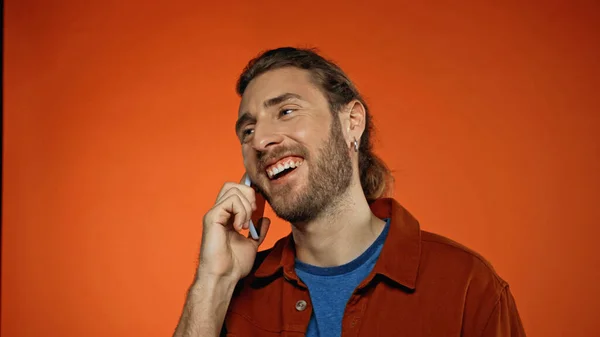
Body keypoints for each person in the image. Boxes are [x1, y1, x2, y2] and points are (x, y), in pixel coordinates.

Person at [173, 47, 526, 337]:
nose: (262, 140)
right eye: (247, 131)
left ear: (351, 122)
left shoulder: (466, 283)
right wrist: (213, 281)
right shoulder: (232, 293)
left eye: (287, 111)